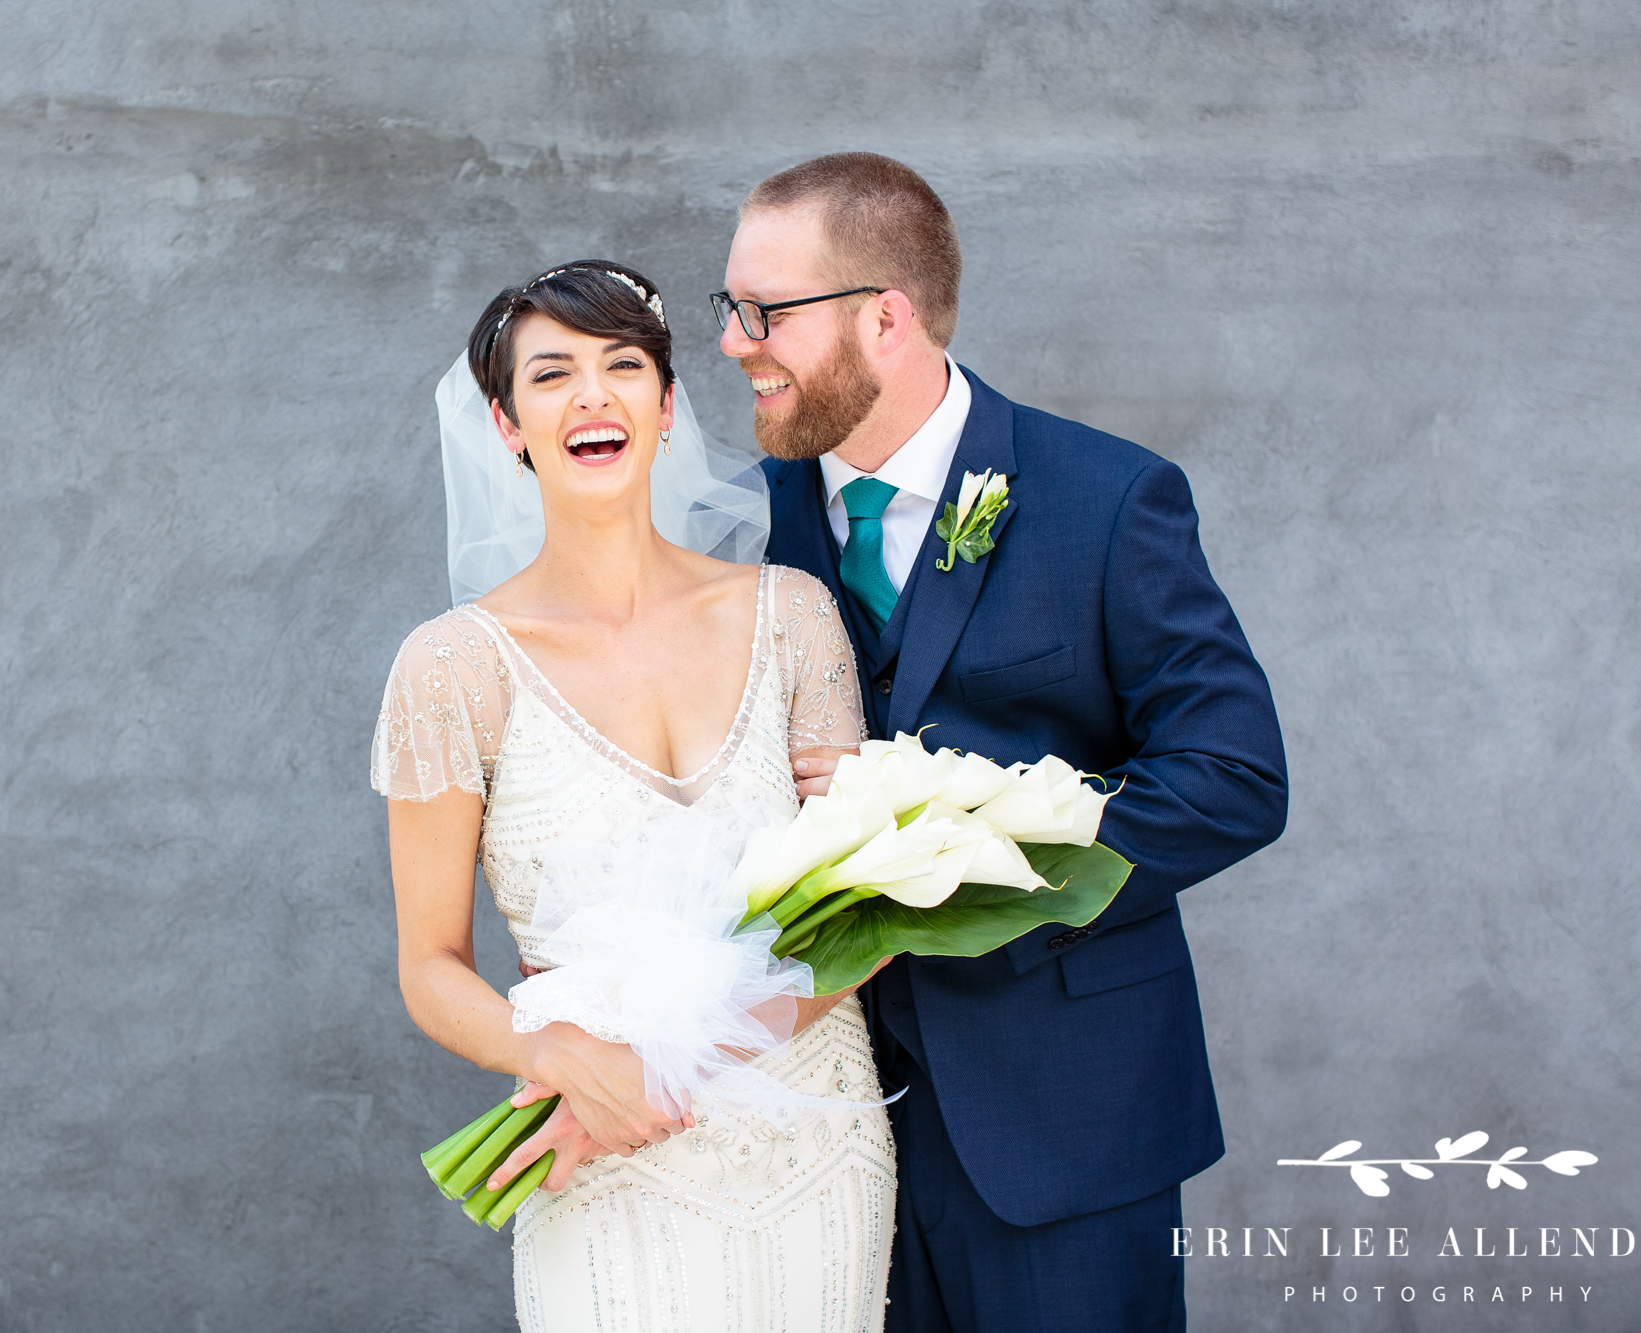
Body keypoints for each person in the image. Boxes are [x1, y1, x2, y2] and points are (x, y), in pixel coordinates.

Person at [717, 154, 1289, 1331]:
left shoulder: (1106, 499)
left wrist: (942, 829)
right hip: (812, 1125)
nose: (734, 343)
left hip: (1062, 1120)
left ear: (886, 315)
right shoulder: (736, 526)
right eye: (731, 309)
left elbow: (1230, 779)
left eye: (765, 312)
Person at [372, 262, 895, 1333]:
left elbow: (866, 915)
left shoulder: (792, 614)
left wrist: (672, 1068)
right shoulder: (449, 667)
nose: (592, 396)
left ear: (665, 406)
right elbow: (429, 968)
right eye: (551, 374)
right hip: (599, 1140)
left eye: (623, 366)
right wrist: (550, 1053)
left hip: (814, 1138)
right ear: (507, 423)